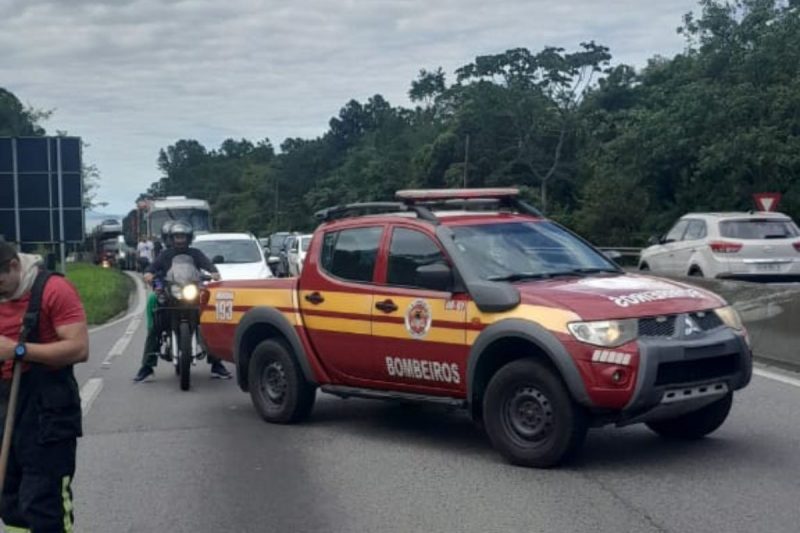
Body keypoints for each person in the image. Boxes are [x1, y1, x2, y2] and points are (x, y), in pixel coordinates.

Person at [0, 240, 89, 531]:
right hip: (4, 404)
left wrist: (19, 351)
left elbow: (78, 348)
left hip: (46, 410)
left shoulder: (52, 289)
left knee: (42, 502)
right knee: (9, 502)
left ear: (13, 266)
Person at [133, 221, 232, 381]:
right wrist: (149, 274)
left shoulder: (195, 253)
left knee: (209, 323)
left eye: (183, 237)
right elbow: (152, 268)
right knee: (156, 326)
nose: (180, 240)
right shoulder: (165, 255)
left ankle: (217, 364)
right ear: (171, 238)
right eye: (177, 237)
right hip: (171, 294)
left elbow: (208, 265)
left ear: (189, 238)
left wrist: (214, 272)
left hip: (191, 293)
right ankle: (147, 366)